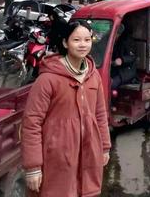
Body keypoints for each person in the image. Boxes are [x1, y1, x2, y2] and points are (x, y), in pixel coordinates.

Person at [21, 21, 111, 196]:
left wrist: (105, 147)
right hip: (57, 156)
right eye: (76, 39)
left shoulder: (94, 77)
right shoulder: (48, 79)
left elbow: (100, 114)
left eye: (87, 39)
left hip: (87, 152)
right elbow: (32, 123)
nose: (83, 44)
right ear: (65, 43)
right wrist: (33, 167)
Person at [111, 25, 138, 89]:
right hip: (114, 68)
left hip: (126, 70)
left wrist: (122, 60)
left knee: (112, 84)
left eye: (117, 33)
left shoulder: (128, 41)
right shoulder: (109, 38)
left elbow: (132, 56)